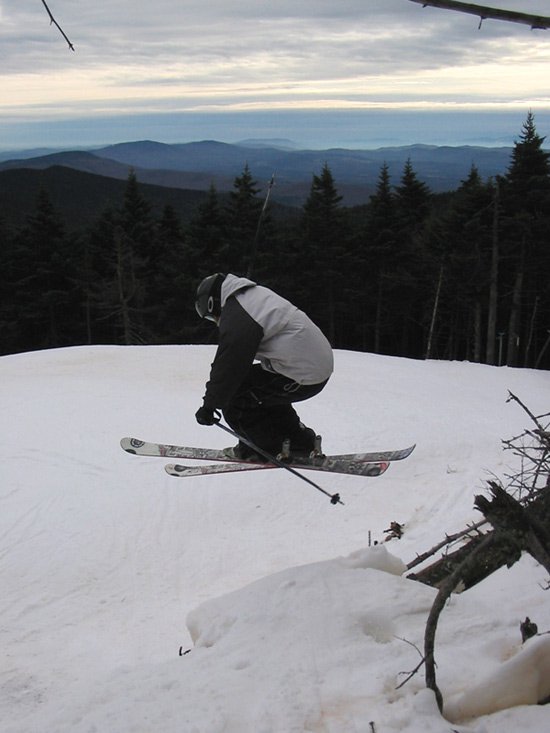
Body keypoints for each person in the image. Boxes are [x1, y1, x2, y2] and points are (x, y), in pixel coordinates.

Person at [194, 273, 334, 461]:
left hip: (304, 373)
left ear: (213, 303)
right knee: (258, 391)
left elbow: (230, 364)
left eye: (212, 318)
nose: (217, 322)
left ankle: (260, 449)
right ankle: (298, 443)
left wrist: (210, 405)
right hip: (305, 366)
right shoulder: (250, 298)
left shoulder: (239, 313)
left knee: (235, 397)